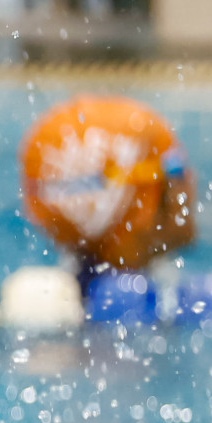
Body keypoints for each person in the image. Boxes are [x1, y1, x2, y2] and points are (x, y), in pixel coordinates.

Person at [20, 95, 197, 296]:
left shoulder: (46, 301)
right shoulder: (181, 307)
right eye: (176, 170)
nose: (191, 181)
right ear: (138, 205)